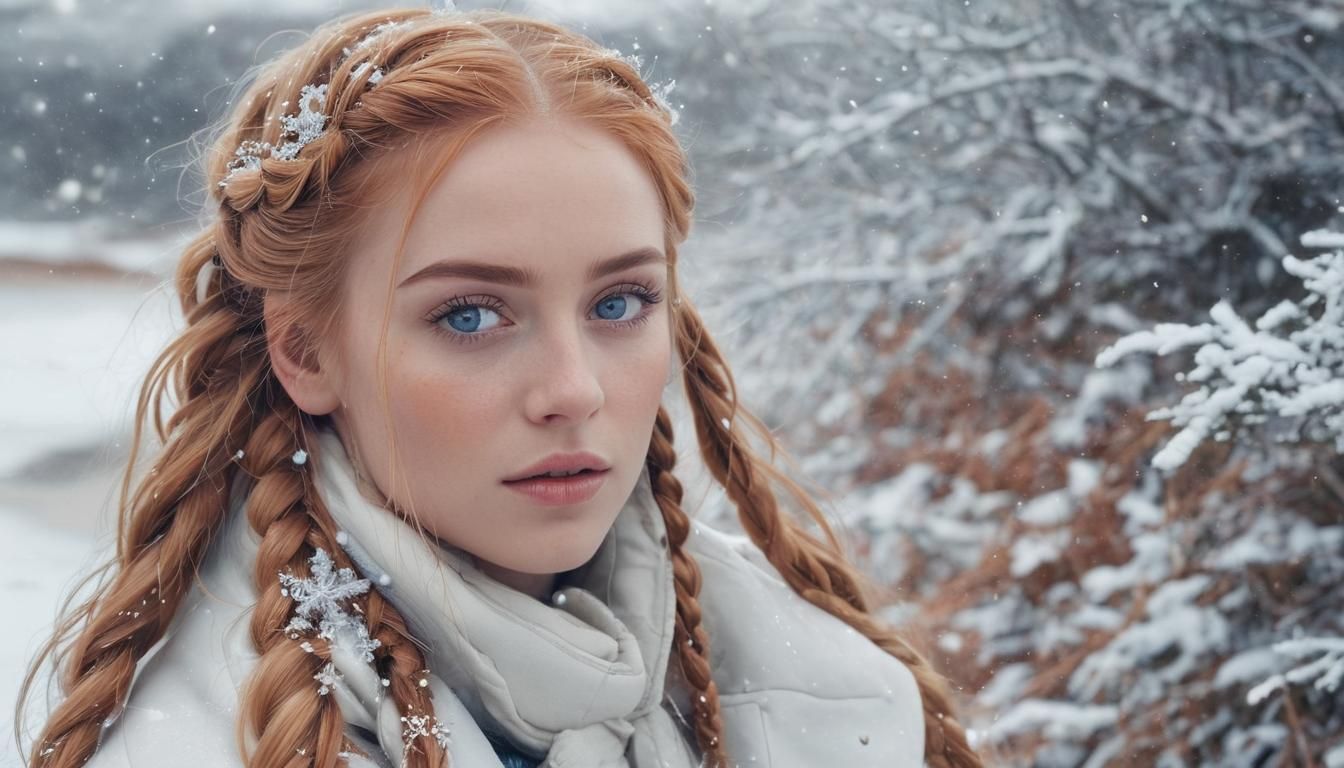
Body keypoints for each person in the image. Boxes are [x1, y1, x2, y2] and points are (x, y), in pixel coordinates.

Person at [15, 7, 985, 767]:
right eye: (470, 316)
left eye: (619, 303)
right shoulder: (198, 741)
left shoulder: (821, 688)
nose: (573, 391)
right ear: (306, 352)